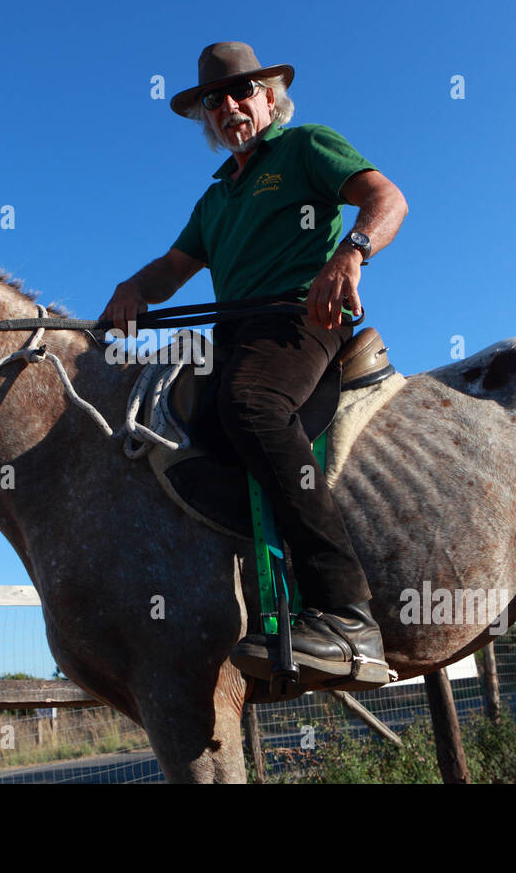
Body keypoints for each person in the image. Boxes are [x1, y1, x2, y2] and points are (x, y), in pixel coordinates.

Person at [101, 42, 408, 687]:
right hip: (233, 332)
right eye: (215, 100)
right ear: (206, 119)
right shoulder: (214, 200)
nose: (231, 106)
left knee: (251, 405)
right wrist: (132, 289)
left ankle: (350, 616)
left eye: (244, 92)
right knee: (172, 411)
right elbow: (172, 269)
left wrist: (350, 253)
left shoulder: (305, 148)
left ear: (270, 98)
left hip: (303, 317)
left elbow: (387, 200)